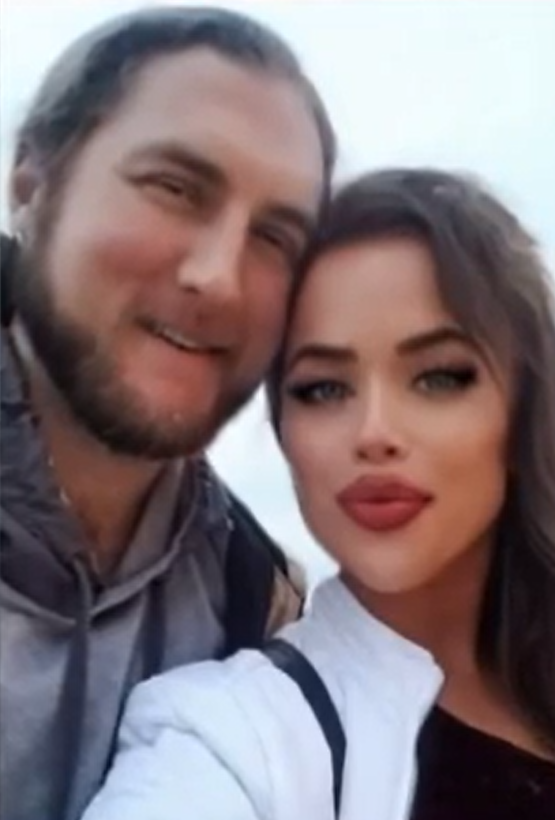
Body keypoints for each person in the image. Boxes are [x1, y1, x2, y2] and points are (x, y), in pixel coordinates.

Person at [82, 168, 555, 820]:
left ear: (525, 412)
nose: (374, 433)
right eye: (323, 388)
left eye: (438, 377)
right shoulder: (230, 739)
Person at [0, 6, 335, 820]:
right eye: (176, 189)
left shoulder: (254, 601)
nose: (218, 277)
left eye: (276, 238)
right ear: (31, 186)